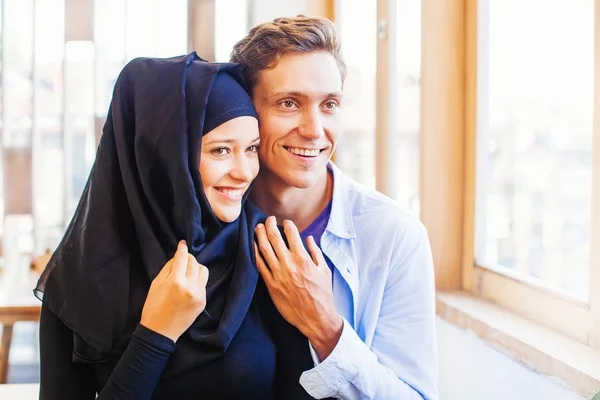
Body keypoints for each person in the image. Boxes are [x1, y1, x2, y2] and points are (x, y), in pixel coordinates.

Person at [35, 53, 310, 399]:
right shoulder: (78, 279)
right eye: (221, 150)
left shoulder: (268, 252)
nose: (244, 172)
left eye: (251, 148)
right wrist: (155, 335)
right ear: (162, 157)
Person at [231, 15, 439, 399]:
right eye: (289, 103)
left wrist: (326, 328)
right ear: (245, 110)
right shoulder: (207, 218)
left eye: (329, 104)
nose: (314, 129)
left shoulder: (394, 236)